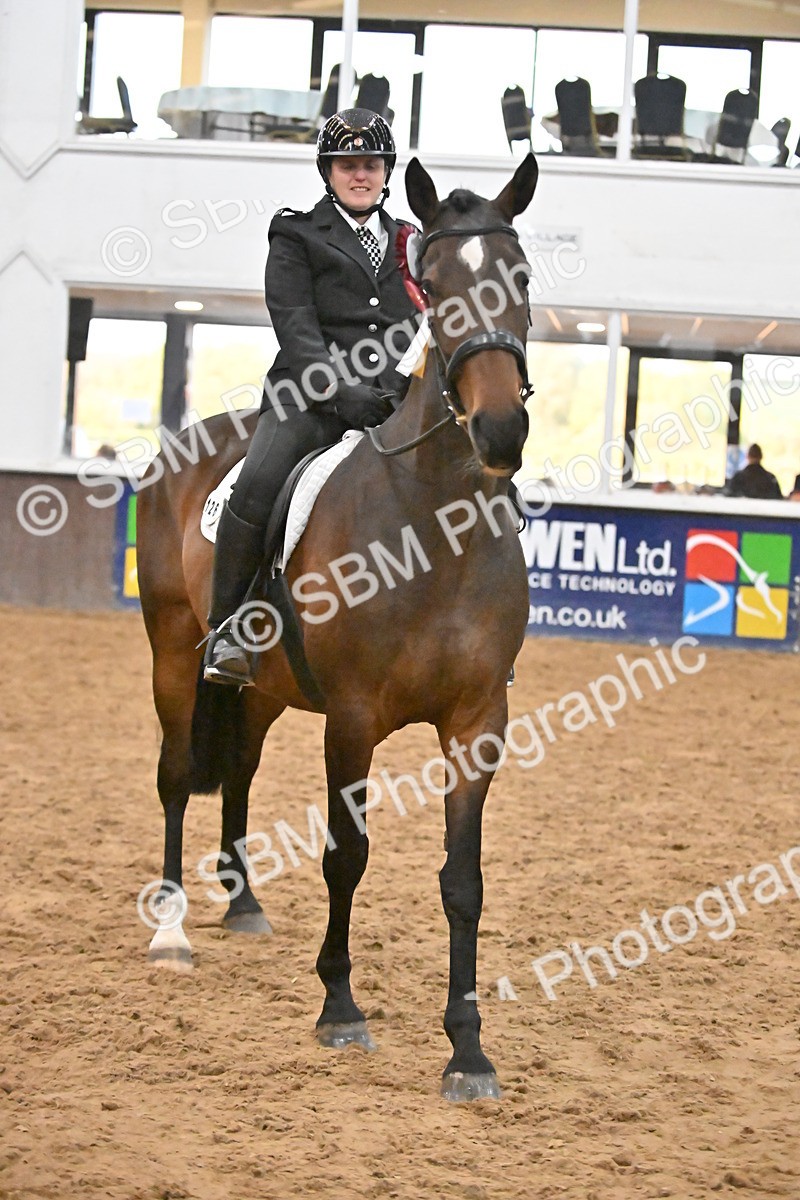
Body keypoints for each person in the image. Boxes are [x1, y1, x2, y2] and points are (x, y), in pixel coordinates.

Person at [205, 108, 420, 685]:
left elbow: (425, 326)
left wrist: (402, 390)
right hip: (308, 398)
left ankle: (477, 629)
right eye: (348, 165)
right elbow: (296, 327)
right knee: (257, 485)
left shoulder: (411, 242)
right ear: (328, 172)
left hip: (391, 403)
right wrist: (342, 393)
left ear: (386, 172)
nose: (360, 175)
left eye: (371, 165)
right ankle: (229, 628)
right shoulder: (296, 234)